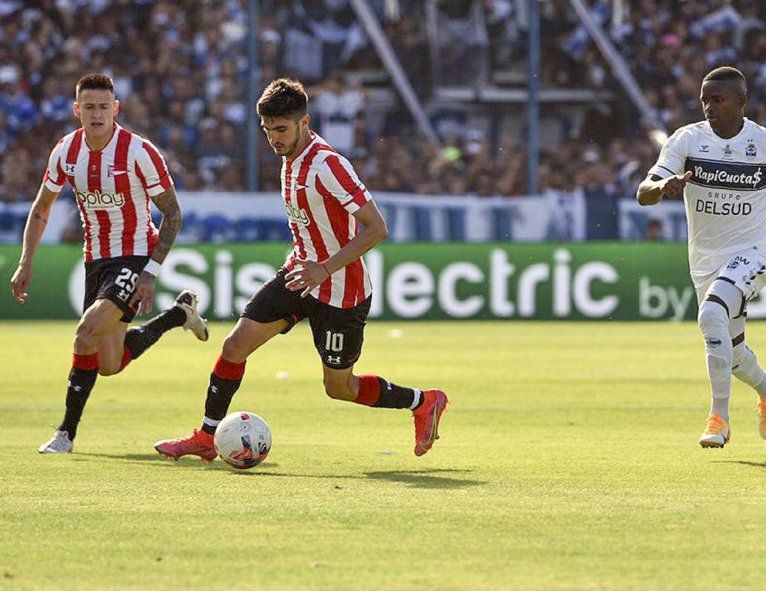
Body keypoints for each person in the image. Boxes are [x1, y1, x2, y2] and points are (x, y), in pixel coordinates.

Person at [155, 78, 448, 461]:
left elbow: (377, 228)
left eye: (281, 129)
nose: (274, 139)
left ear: (304, 122)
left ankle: (424, 402)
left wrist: (323, 268)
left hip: (340, 289)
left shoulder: (327, 165)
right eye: (267, 131)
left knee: (339, 388)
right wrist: (309, 267)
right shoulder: (288, 160)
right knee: (234, 345)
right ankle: (207, 438)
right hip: (300, 275)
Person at [9, 74, 209, 454]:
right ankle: (177, 316)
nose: (96, 113)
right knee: (108, 364)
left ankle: (65, 435)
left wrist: (151, 270)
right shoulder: (66, 152)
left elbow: (173, 214)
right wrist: (26, 263)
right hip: (95, 259)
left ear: (116, 109)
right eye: (89, 107)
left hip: (135, 254)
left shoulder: (140, 152)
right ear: (77, 110)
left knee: (86, 333)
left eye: (103, 106)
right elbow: (41, 210)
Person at [636, 66, 766, 448]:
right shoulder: (686, 141)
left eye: (717, 99)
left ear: (741, 102)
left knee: (710, 315)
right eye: (704, 99)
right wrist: (662, 186)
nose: (708, 106)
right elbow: (644, 191)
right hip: (706, 256)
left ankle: (719, 417)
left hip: (755, 246)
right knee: (733, 351)